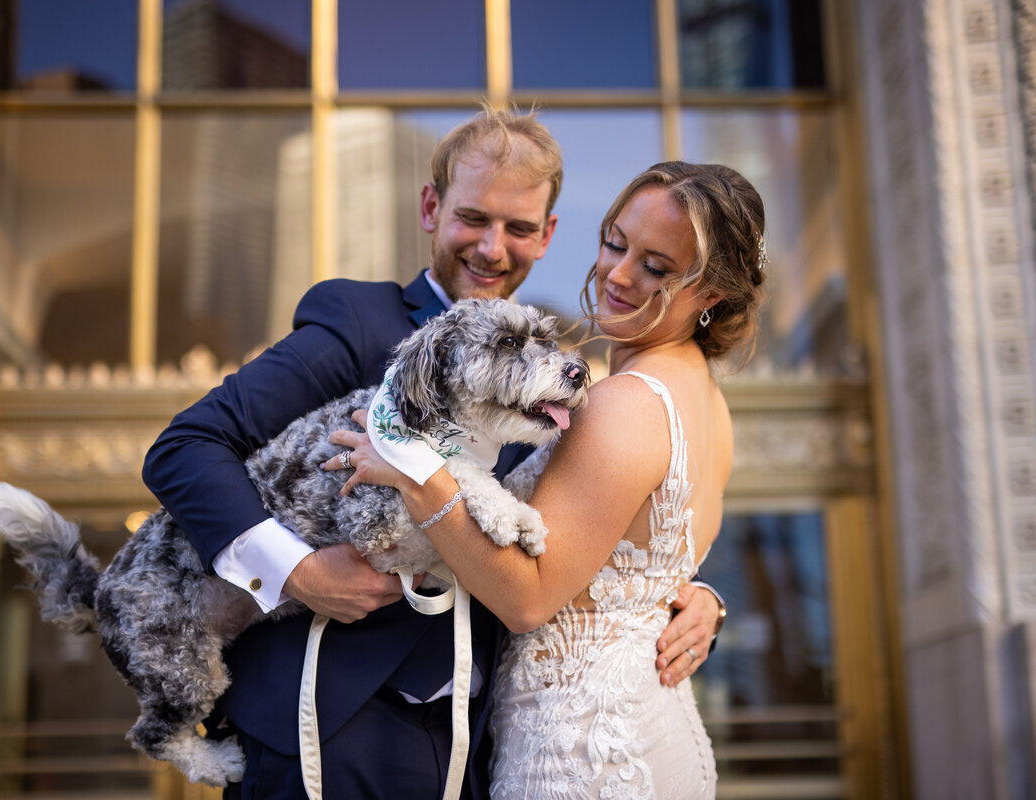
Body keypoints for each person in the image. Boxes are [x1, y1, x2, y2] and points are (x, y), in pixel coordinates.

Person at [142, 111, 726, 799]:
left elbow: (588, 528)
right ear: (430, 207)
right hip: (330, 735)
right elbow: (184, 449)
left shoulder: (550, 368)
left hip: (480, 749)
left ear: (547, 236)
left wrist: (684, 597)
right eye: (472, 218)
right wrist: (294, 569)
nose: (491, 247)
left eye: (517, 228)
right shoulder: (358, 323)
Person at [327, 160, 767, 799]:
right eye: (615, 242)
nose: (616, 274)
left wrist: (416, 475)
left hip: (581, 754)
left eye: (655, 268)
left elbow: (529, 599)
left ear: (710, 295)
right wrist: (703, 598)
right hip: (654, 735)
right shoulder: (706, 400)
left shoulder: (623, 402)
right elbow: (636, 559)